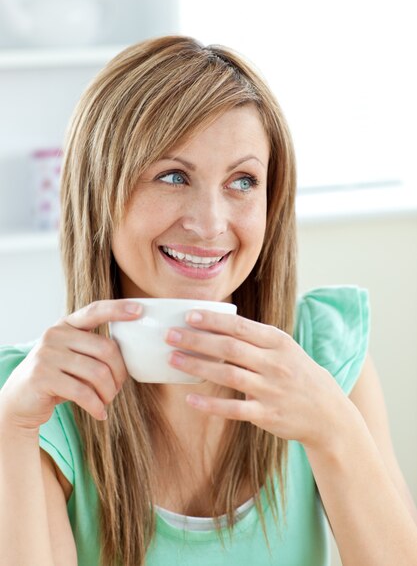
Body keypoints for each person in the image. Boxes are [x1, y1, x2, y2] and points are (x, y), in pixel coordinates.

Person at [0, 35, 416, 566]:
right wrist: (12, 431)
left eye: (243, 181)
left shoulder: (323, 354)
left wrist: (334, 429)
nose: (210, 224)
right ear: (97, 190)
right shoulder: (37, 400)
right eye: (173, 176)